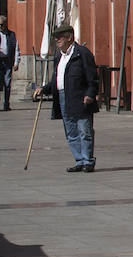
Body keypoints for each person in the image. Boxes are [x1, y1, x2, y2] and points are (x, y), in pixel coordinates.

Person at [36, 23, 100, 172]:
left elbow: (93, 77)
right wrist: (44, 89)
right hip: (63, 97)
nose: (57, 40)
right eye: (55, 38)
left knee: (84, 130)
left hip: (80, 97)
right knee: (71, 132)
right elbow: (56, 79)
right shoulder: (59, 56)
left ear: (69, 37)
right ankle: (79, 161)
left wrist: (90, 94)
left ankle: (88, 161)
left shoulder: (82, 53)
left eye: (60, 37)